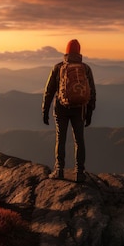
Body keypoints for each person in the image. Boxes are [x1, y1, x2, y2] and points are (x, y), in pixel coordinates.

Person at [41, 39, 96, 182]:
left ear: (66, 51)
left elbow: (49, 91)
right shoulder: (85, 68)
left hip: (61, 108)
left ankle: (59, 170)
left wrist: (45, 110)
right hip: (79, 109)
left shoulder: (58, 67)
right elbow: (92, 92)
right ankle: (80, 173)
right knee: (79, 140)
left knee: (61, 138)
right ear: (79, 52)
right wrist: (89, 112)